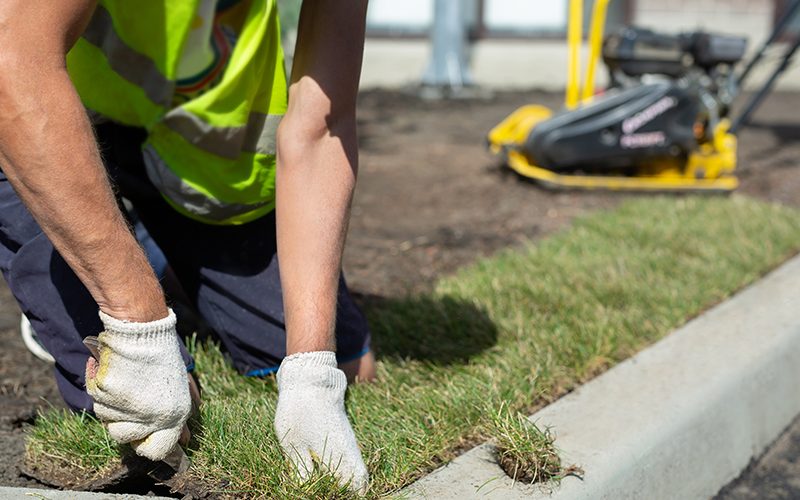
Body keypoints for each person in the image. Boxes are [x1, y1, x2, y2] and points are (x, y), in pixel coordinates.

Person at [0, 0, 372, 492]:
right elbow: (12, 60)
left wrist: (313, 376)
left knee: (351, 364)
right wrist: (136, 325)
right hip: (42, 112)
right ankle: (101, 259)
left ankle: (153, 256)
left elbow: (321, 128)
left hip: (194, 131)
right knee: (156, 427)